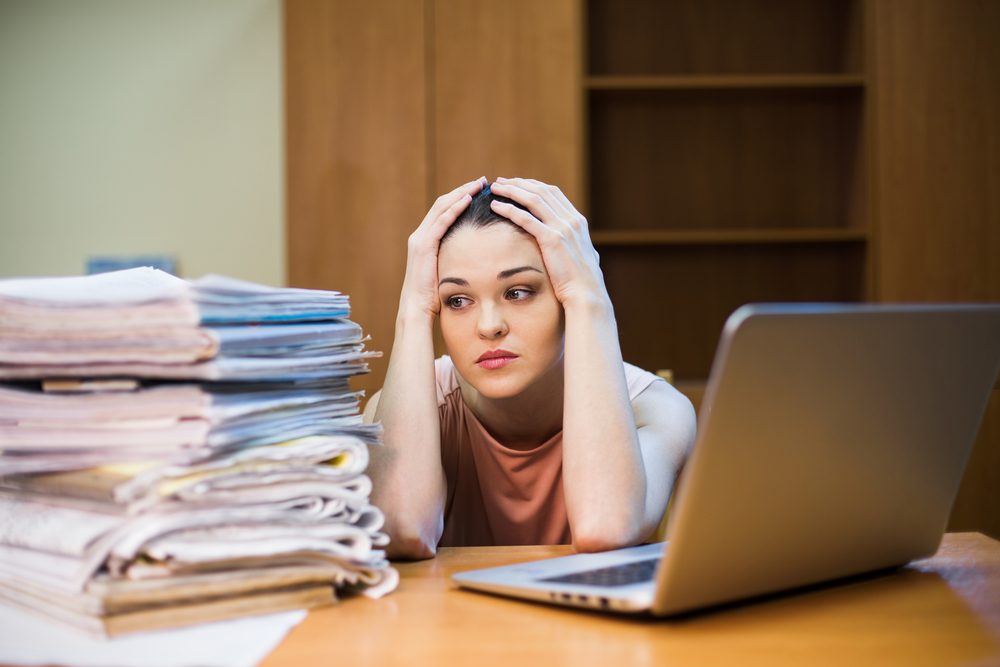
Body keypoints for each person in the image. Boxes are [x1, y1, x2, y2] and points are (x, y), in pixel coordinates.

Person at [363, 176, 696, 559]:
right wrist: (412, 310)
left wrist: (590, 300)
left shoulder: (655, 409)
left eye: (518, 292)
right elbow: (402, 529)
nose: (489, 326)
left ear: (564, 290)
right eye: (456, 300)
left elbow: (606, 526)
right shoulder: (400, 411)